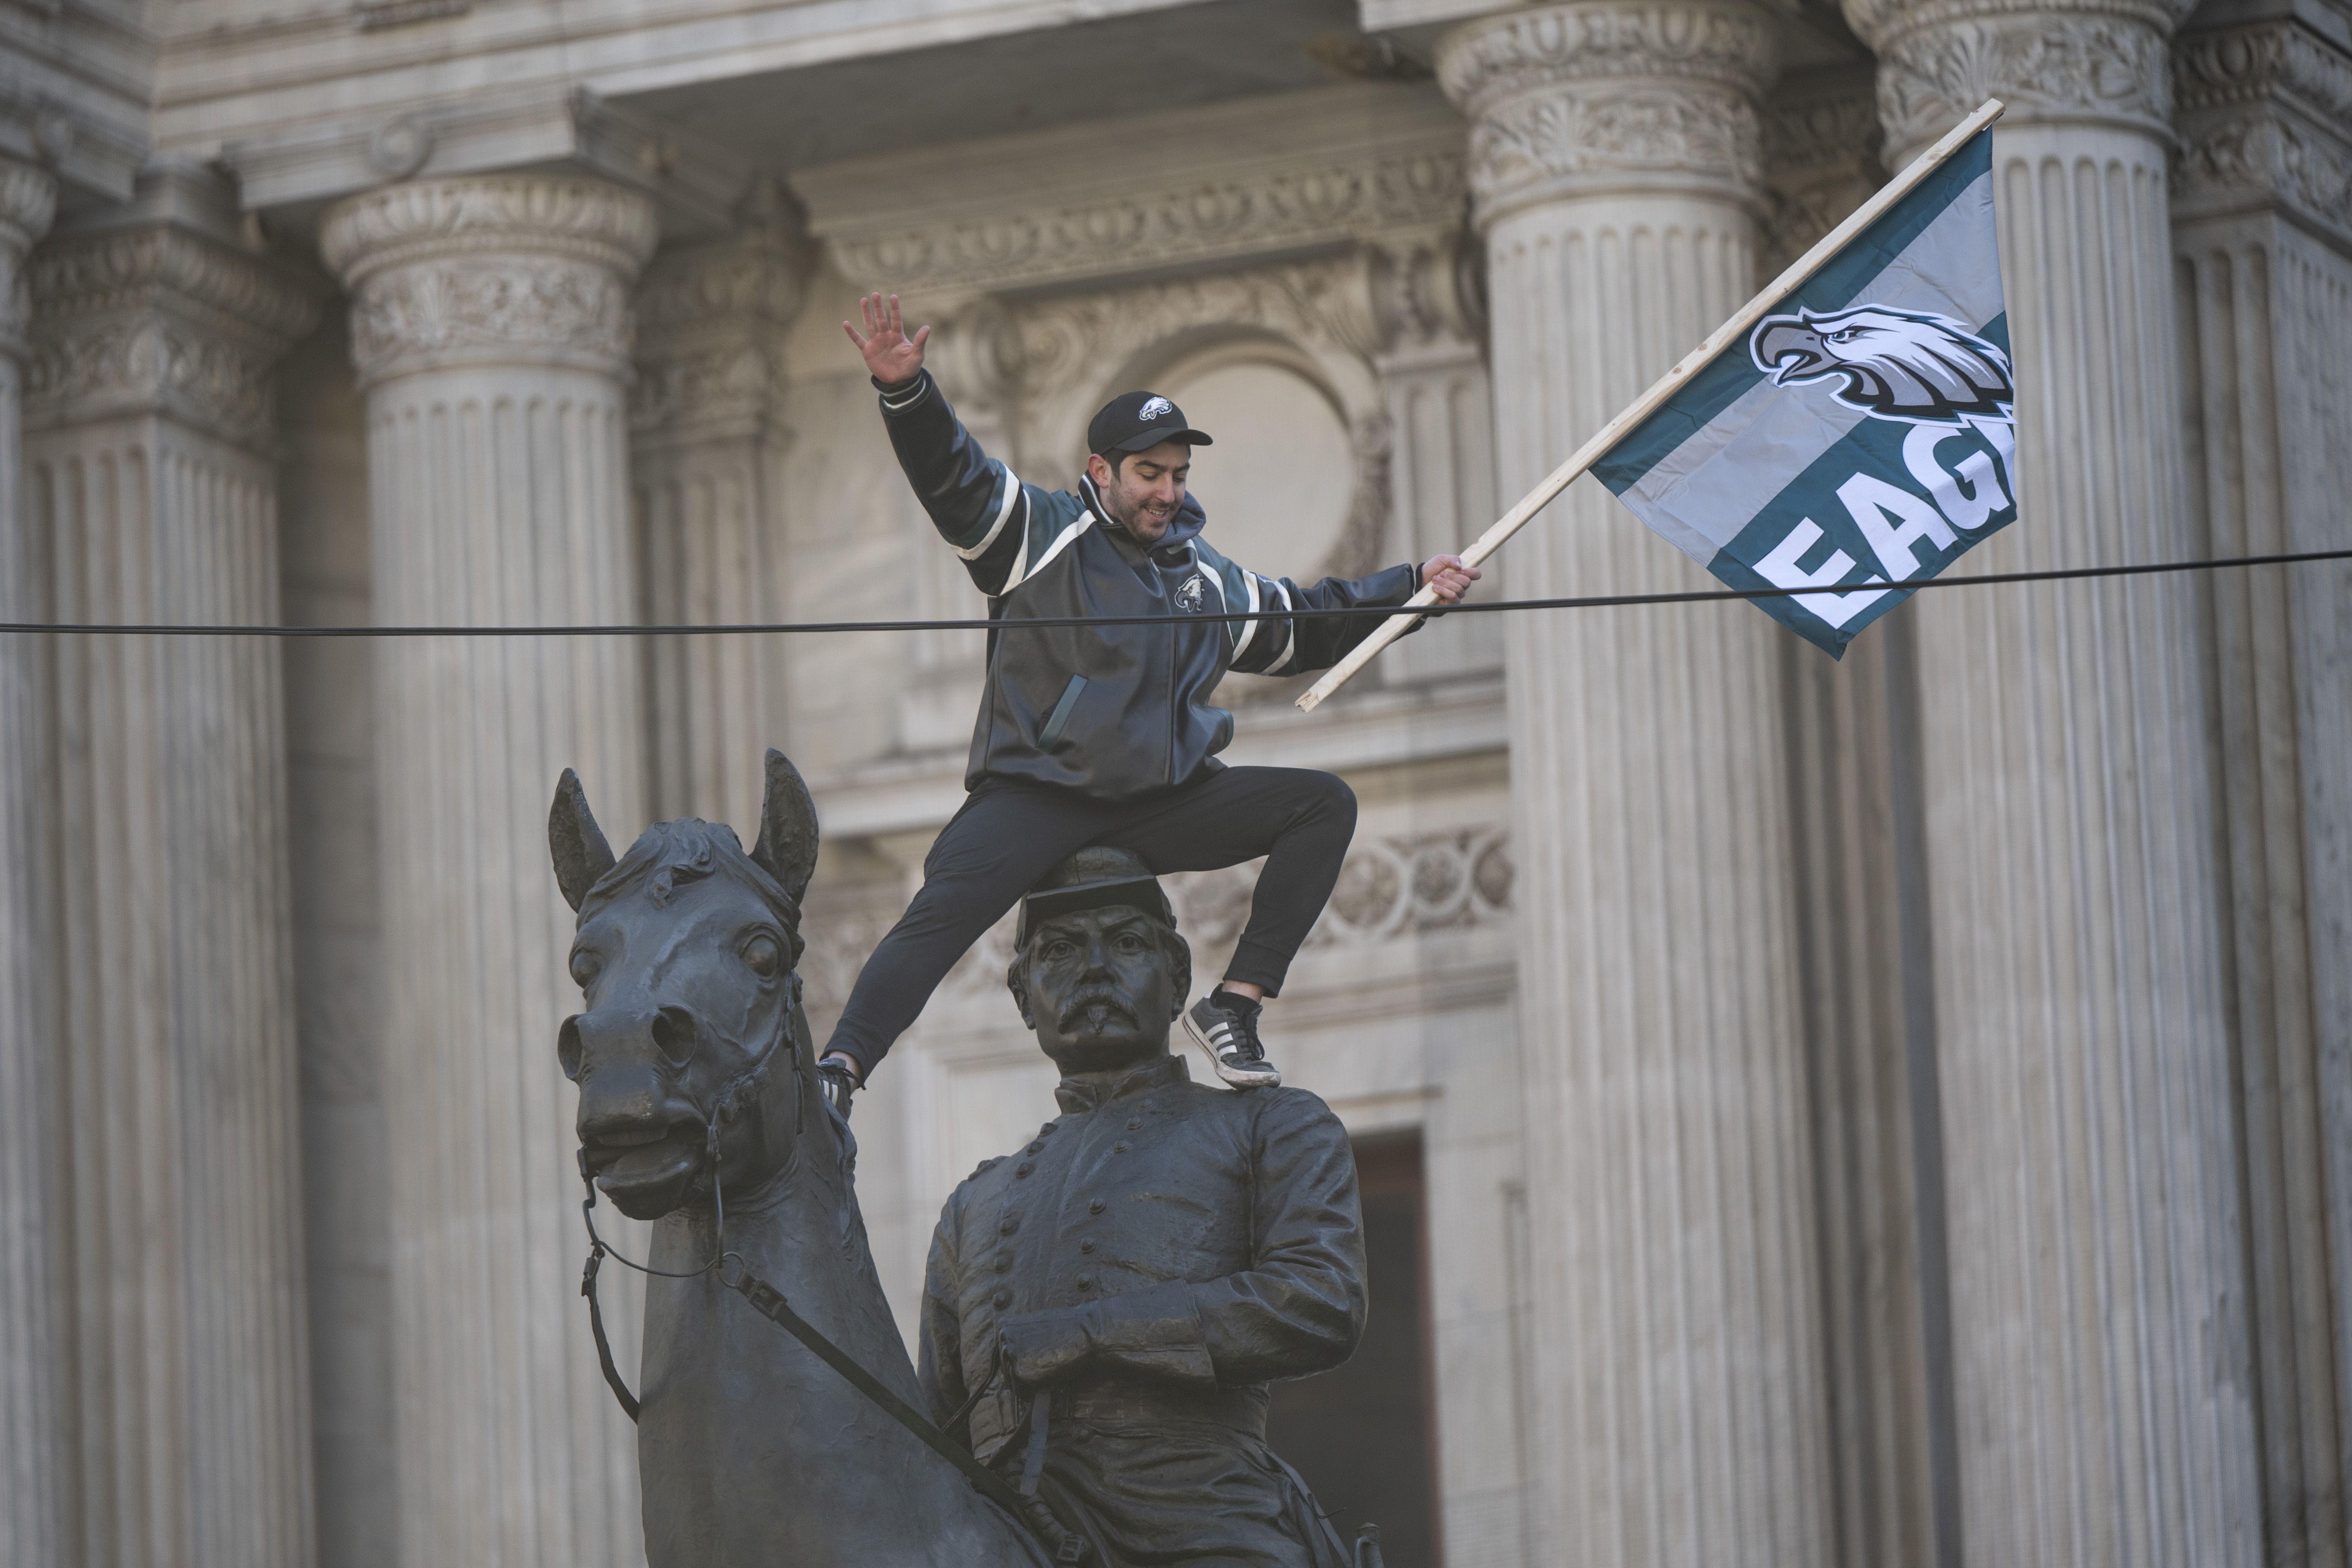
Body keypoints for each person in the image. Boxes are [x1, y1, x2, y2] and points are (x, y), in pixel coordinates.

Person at [822, 293, 1478, 1101]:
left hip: (1161, 800)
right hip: (1041, 792)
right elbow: (952, 475)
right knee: (940, 915)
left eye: (1176, 476)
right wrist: (906, 392)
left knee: (1322, 805)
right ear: (1101, 472)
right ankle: (841, 1070)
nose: (1165, 494)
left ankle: (1234, 1008)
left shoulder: (1205, 576)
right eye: (1147, 475)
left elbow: (1302, 627)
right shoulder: (1039, 532)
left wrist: (1410, 589)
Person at [920, 847, 1367, 1568]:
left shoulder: (1271, 1124)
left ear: (1178, 980)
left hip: (1197, 1518)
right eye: (1060, 951)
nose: (1094, 968)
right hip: (1002, 1529)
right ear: (1023, 999)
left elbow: (1320, 1299)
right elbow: (933, 1430)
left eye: (1126, 943)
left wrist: (1094, 1332)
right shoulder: (972, 1203)